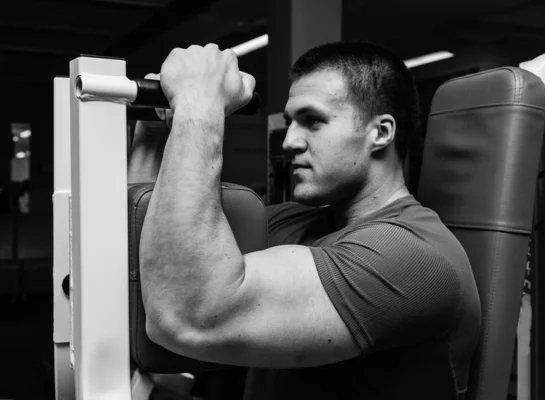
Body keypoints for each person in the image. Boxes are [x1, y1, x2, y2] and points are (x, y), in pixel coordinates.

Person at [128, 41, 482, 400]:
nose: (290, 141)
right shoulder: (295, 223)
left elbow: (192, 315)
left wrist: (199, 107)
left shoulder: (412, 258)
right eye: (290, 123)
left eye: (312, 121)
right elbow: (146, 263)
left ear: (381, 133)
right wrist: (154, 134)